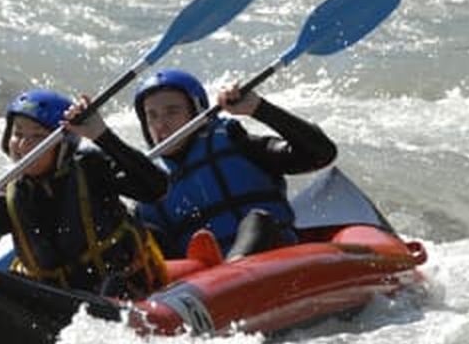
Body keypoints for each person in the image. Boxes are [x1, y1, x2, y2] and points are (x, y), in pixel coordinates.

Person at [0, 89, 169, 300]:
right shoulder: (9, 194)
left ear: (62, 145)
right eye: (17, 134)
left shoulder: (92, 168)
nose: (23, 145)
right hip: (56, 299)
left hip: (124, 289)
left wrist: (102, 135)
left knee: (112, 287)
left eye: (38, 137)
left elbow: (156, 188)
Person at [133, 69, 337, 259]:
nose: (161, 125)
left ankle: (235, 267)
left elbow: (321, 154)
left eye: (172, 111)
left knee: (257, 220)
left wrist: (258, 108)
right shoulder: (145, 184)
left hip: (270, 259)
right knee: (144, 236)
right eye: (152, 116)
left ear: (196, 112)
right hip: (199, 284)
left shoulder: (238, 144)